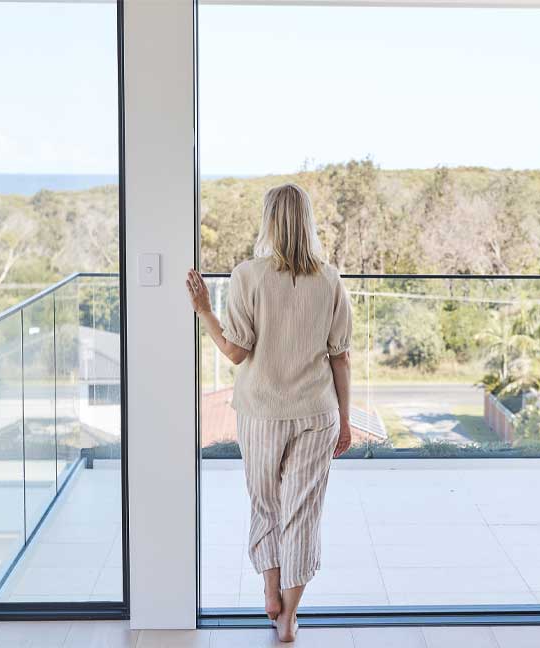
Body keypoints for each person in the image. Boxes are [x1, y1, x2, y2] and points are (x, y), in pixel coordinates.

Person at [186, 183, 352, 642]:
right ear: (308, 223)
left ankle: (270, 592)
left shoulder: (247, 275)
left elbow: (236, 352)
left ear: (268, 222)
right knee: (302, 512)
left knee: (266, 505)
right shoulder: (330, 278)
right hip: (318, 413)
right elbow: (341, 355)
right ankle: (288, 619)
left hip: (261, 412)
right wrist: (346, 417)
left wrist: (204, 310)